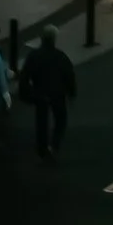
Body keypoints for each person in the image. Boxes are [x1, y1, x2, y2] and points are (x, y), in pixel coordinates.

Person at [19, 27, 76, 160]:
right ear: (54, 39)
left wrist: (27, 93)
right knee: (61, 119)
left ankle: (42, 148)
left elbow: (25, 76)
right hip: (57, 93)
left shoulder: (33, 56)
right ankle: (54, 145)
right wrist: (71, 93)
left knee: (41, 120)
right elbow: (69, 75)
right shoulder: (60, 56)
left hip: (40, 93)